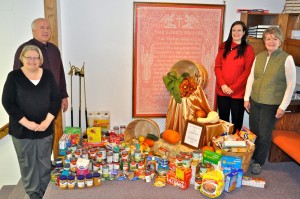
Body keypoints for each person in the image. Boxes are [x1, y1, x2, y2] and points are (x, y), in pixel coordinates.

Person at [2, 45, 62, 199]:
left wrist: (47, 121)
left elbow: (56, 99)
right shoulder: (14, 77)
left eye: (36, 57)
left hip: (45, 129)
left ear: (40, 60)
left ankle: (46, 193)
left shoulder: (48, 75)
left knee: (44, 163)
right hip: (22, 131)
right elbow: (8, 103)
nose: (32, 60)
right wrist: (28, 123)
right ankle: (34, 195)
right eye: (28, 57)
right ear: (22, 58)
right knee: (28, 165)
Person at [13, 18, 68, 158]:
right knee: (33, 138)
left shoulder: (54, 50)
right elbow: (17, 77)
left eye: (48, 28)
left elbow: (60, 73)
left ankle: (45, 166)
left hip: (52, 101)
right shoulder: (25, 50)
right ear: (33, 31)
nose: (45, 31)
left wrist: (64, 95)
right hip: (31, 103)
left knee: (49, 134)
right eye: (42, 28)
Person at [244, 26, 296, 175]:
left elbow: (291, 84)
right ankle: (252, 157)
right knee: (254, 132)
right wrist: (246, 98)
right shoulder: (259, 56)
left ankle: (259, 162)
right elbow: (252, 78)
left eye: (275, 38)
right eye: (268, 38)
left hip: (272, 104)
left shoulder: (287, 58)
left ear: (280, 41)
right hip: (255, 101)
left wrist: (283, 106)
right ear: (264, 40)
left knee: (265, 134)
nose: (271, 41)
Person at [215, 21, 255, 133]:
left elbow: (248, 71)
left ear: (244, 33)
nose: (236, 33)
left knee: (237, 122)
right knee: (223, 121)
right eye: (234, 30)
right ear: (230, 32)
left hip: (238, 93)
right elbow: (217, 67)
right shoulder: (223, 47)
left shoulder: (248, 49)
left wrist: (233, 88)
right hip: (222, 90)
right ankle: (223, 146)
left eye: (239, 30)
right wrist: (223, 85)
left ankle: (234, 147)